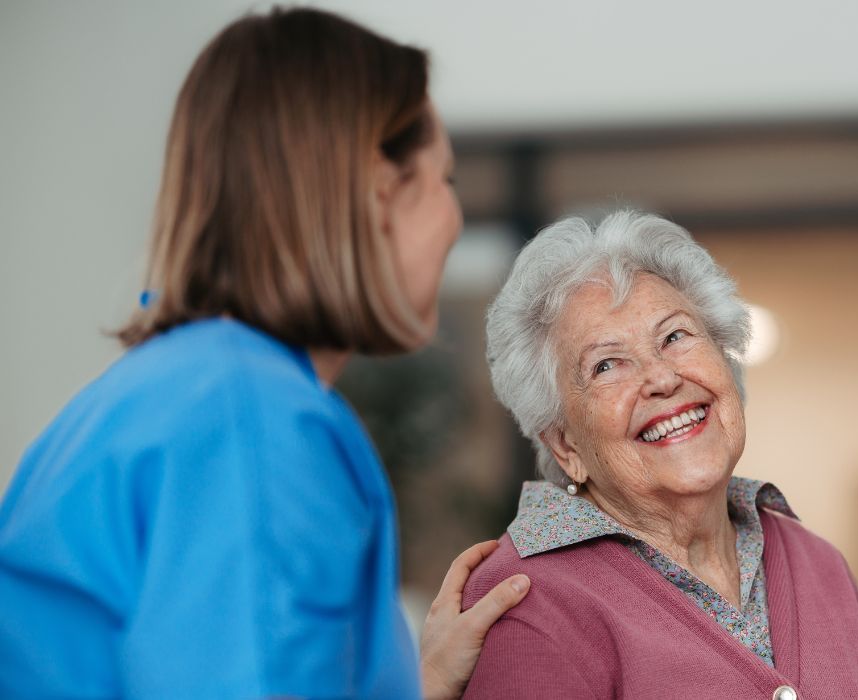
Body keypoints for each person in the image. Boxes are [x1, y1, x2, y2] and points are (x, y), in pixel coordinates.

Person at [0, 8, 527, 699]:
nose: (455, 220)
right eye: (445, 181)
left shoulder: (168, 391)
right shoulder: (255, 427)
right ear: (377, 191)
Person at [462, 211, 858, 698]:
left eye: (675, 336)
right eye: (606, 365)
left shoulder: (817, 563)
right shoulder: (526, 603)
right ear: (566, 444)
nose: (661, 378)